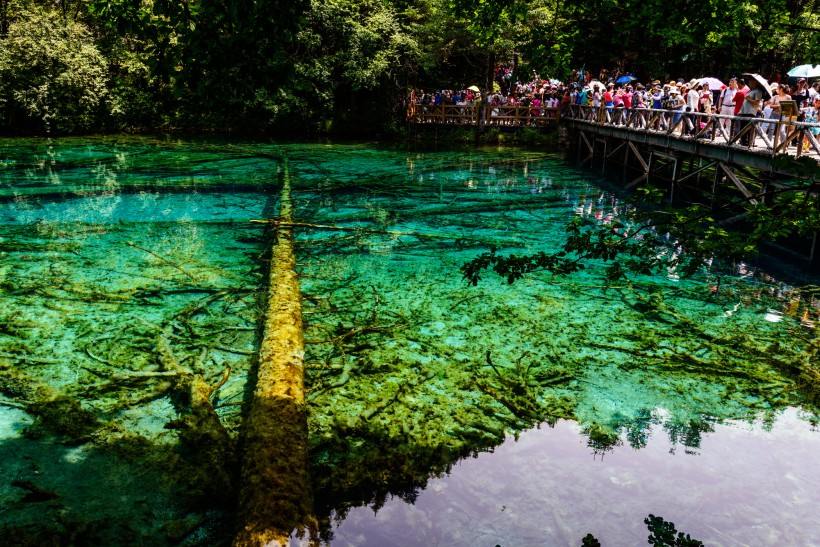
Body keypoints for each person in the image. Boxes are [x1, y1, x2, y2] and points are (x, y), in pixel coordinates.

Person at [738, 77, 764, 146]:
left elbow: (757, 103)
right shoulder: (750, 90)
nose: (749, 83)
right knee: (742, 128)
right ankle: (743, 142)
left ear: (754, 82)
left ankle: (749, 143)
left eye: (750, 82)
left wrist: (748, 99)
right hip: (744, 112)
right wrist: (741, 110)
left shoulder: (758, 91)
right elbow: (745, 101)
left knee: (748, 129)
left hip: (750, 112)